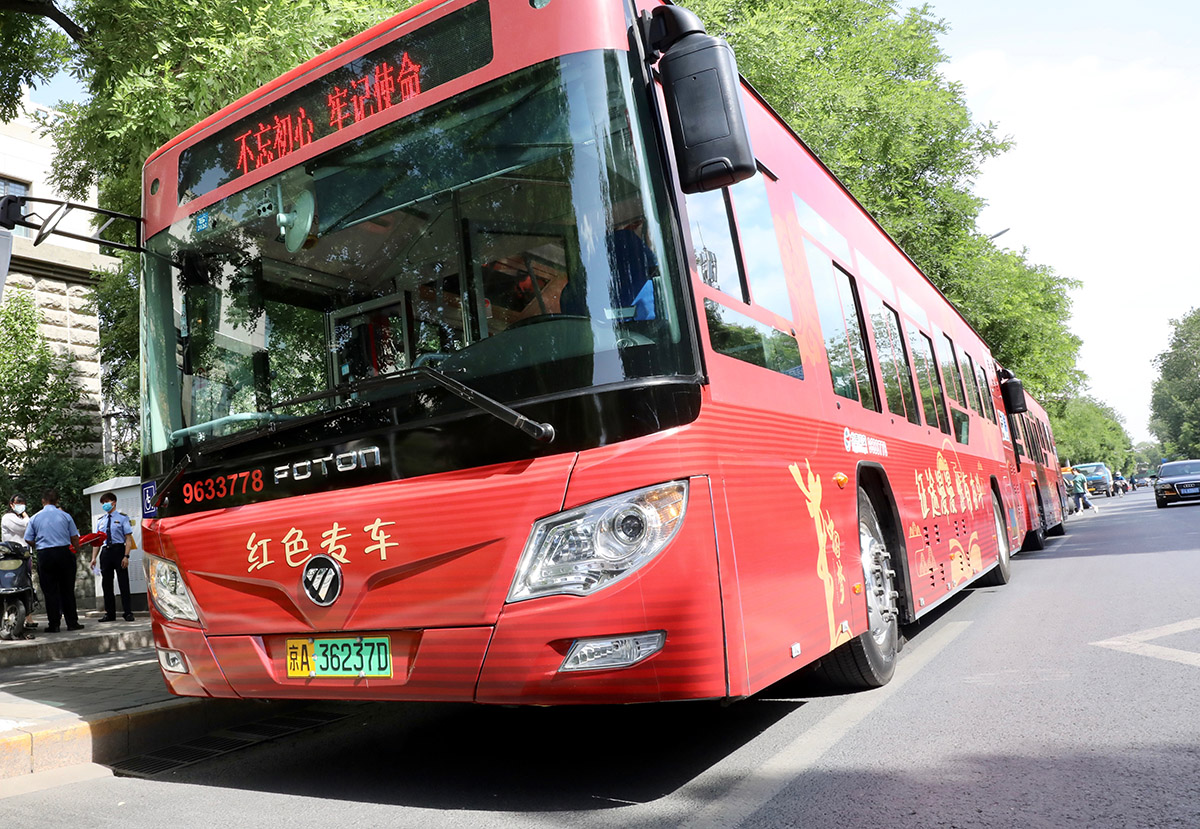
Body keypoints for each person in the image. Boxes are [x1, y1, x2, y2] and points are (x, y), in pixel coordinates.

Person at [23, 489, 85, 633]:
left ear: (43, 501)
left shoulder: (35, 518)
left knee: (50, 591)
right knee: (67, 589)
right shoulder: (65, 516)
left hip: (45, 555)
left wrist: (39, 545)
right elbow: (74, 536)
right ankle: (72, 622)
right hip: (64, 553)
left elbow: (28, 538)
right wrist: (76, 549)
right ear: (57, 501)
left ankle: (54, 624)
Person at [89, 491, 137, 622]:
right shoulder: (101, 521)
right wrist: (93, 558)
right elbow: (97, 542)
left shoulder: (122, 518)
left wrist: (126, 556)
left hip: (118, 550)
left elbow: (128, 539)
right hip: (106, 552)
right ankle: (110, 613)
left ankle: (128, 612)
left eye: (106, 502)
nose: (104, 505)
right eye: (103, 503)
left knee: (123, 582)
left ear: (114, 502)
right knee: (106, 584)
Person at [1, 494, 38, 630]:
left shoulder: (21, 518)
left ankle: (28, 617)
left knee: (26, 585)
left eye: (23, 503)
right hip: (11, 558)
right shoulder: (8, 517)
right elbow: (25, 526)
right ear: (11, 504)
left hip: (24, 556)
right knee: (12, 586)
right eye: (18, 502)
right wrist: (26, 516)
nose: (21, 505)